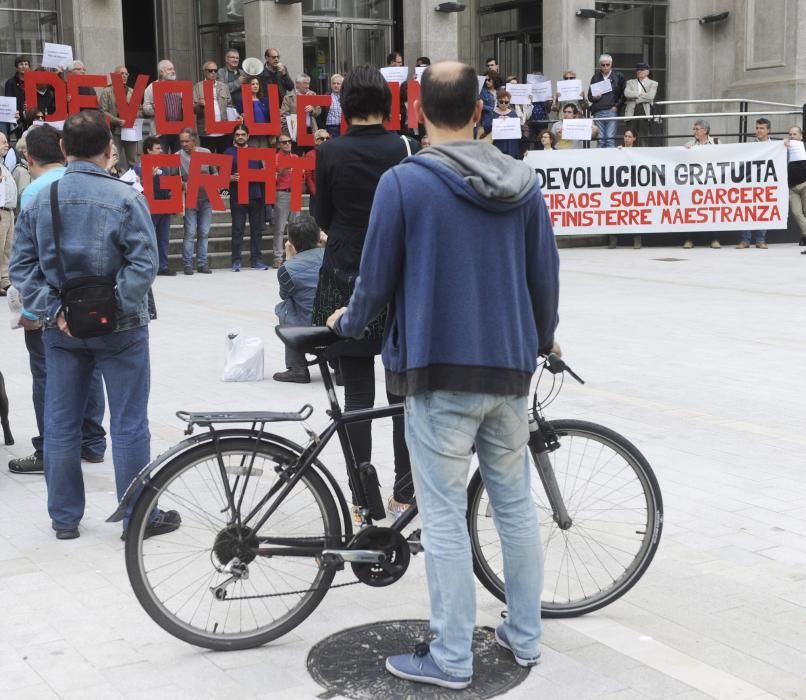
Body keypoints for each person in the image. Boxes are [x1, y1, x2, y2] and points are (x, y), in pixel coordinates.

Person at [326, 60, 559, 690]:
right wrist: (537, 342)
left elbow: (373, 283)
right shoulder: (524, 184)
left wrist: (348, 322)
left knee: (446, 516)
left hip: (436, 372)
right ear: (480, 113)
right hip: (509, 373)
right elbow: (545, 283)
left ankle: (452, 658)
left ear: (417, 113)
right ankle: (525, 636)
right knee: (513, 508)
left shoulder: (406, 184)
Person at [10, 110, 180, 541]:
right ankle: (137, 517)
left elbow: (23, 267)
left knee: (62, 423)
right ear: (110, 149)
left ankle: (64, 519)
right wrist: (113, 307)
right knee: (128, 422)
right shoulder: (125, 197)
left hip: (60, 329)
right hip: (121, 328)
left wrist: (56, 310)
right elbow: (146, 262)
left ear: (64, 149)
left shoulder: (38, 198)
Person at [311, 64, 417, 520]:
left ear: (346, 104)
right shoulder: (404, 146)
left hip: (344, 274)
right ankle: (405, 494)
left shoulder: (330, 151)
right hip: (397, 276)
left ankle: (361, 499)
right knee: (401, 398)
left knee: (356, 396)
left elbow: (322, 214)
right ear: (386, 103)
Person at [7, 124, 107, 476]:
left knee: (46, 375)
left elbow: (26, 259)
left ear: (28, 158)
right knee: (91, 369)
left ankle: (48, 447)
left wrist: (28, 309)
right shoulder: (87, 183)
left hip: (51, 302)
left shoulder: (34, 192)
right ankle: (92, 442)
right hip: (91, 296)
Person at [273, 214, 324, 383]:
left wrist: (289, 258)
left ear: (291, 241)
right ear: (318, 236)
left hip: (307, 329)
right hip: (338, 323)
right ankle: (340, 367)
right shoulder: (335, 256)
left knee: (284, 307)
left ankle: (297, 367)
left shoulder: (287, 269)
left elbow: (285, 294)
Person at [224, 123, 267, 271]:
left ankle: (257, 260)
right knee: (237, 229)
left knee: (256, 230)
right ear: (234, 136)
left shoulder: (256, 151)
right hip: (237, 196)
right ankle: (236, 261)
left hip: (255, 195)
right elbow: (222, 176)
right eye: (237, 135)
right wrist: (231, 178)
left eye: (243, 134)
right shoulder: (228, 152)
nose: (240, 137)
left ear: (248, 136)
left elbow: (263, 172)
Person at [134, 136, 175, 276]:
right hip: (150, 207)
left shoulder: (164, 165)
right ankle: (150, 265)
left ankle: (163, 266)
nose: (161, 150)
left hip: (164, 205)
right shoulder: (139, 167)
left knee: (163, 237)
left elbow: (169, 184)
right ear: (148, 150)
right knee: (150, 237)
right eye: (157, 148)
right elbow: (138, 188)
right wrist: (149, 176)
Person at [178, 128, 215, 274]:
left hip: (207, 197)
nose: (184, 144)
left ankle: (202, 263)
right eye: (181, 141)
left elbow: (214, 171)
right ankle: (187, 265)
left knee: (204, 232)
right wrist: (181, 183)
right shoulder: (177, 156)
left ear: (194, 140)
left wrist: (216, 184)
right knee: (190, 232)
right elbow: (174, 177)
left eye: (187, 141)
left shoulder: (206, 152)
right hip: (190, 198)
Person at [683, 120, 720, 249]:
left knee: (711, 210)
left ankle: (714, 239)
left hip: (711, 182)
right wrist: (685, 151)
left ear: (705, 131)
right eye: (694, 129)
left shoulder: (716, 143)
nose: (694, 131)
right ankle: (690, 239)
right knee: (692, 210)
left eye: (697, 129)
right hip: (695, 183)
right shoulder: (690, 144)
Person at [738, 118, 773, 249]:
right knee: (747, 210)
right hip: (750, 182)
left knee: (763, 210)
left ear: (768, 130)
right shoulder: (749, 146)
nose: (758, 130)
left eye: (762, 128)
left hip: (767, 183)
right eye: (757, 128)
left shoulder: (776, 146)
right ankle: (745, 240)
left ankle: (760, 240)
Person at [99, 65, 141, 172]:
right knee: (114, 159)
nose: (124, 76)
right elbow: (103, 111)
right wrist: (118, 121)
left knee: (133, 160)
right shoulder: (107, 91)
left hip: (130, 130)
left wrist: (133, 115)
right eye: (122, 73)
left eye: (126, 74)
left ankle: (135, 183)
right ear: (115, 76)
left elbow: (140, 110)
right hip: (115, 130)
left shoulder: (132, 92)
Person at [608, 128, 643, 250]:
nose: (627, 138)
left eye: (629, 136)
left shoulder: (639, 152)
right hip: (620, 187)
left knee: (635, 213)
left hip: (634, 186)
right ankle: (613, 240)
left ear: (634, 138)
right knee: (616, 213)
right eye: (625, 136)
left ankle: (637, 239)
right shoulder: (618, 150)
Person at [193, 60, 234, 154]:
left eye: (215, 70)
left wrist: (235, 116)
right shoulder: (197, 87)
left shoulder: (224, 87)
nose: (213, 73)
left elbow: (230, 106)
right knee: (208, 160)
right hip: (207, 131)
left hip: (223, 130)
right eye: (210, 70)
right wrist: (199, 105)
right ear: (204, 71)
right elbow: (193, 109)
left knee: (224, 159)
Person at [272, 134, 300, 268]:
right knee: (279, 228)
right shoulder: (275, 158)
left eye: (289, 141)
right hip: (282, 193)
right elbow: (272, 180)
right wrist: (283, 168)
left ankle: (293, 255)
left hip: (295, 192)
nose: (287, 144)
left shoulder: (295, 157)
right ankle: (277, 258)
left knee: (295, 227)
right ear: (279, 145)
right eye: (284, 142)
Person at [143, 59, 182, 154]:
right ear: (161, 72)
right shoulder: (151, 88)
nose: (173, 71)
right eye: (169, 69)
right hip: (160, 132)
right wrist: (155, 109)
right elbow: (145, 108)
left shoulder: (180, 87)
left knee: (179, 160)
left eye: (173, 69)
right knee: (161, 160)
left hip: (178, 131)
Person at [588, 54, 625, 148]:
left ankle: (610, 161)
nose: (605, 67)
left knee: (609, 139)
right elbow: (589, 96)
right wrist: (595, 97)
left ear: (611, 64)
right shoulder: (595, 77)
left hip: (611, 110)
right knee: (600, 140)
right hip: (598, 111)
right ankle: (600, 161)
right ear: (600, 65)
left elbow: (623, 94)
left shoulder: (618, 76)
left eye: (607, 65)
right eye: (603, 65)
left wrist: (616, 106)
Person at [280, 73, 321, 147]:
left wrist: (312, 110)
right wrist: (289, 132)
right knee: (297, 155)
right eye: (305, 83)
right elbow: (283, 115)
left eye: (308, 83)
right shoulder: (288, 97)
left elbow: (318, 111)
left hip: (311, 130)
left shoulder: (313, 95)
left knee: (311, 154)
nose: (307, 86)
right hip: (295, 132)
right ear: (297, 84)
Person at [0, 136, 18, 296]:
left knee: (6, 247)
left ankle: (4, 278)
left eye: (7, 141)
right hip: (1, 210)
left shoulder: (3, 164)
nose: (7, 145)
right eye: (3, 142)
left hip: (8, 210)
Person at [783, 125, 806, 250]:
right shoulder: (785, 147)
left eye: (794, 134)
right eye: (790, 134)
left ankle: (804, 237)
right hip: (792, 186)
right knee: (796, 212)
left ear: (801, 136)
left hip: (805, 183)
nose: (792, 136)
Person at [624, 62, 658, 144]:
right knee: (630, 136)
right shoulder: (630, 82)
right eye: (638, 70)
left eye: (641, 70)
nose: (639, 71)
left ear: (647, 72)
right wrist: (639, 94)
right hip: (632, 111)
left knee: (643, 137)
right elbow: (627, 93)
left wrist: (635, 98)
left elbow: (650, 96)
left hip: (644, 111)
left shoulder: (653, 83)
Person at [3, 55, 30, 139]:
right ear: (16, 68)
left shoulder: (33, 81)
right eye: (21, 64)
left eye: (26, 64)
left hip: (32, 117)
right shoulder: (10, 82)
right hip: (18, 119)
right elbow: (9, 101)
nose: (24, 66)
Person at [491, 89, 520, 159]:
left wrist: (510, 121)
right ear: (497, 101)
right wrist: (496, 122)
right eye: (501, 101)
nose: (504, 104)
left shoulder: (513, 114)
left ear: (509, 103)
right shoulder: (492, 113)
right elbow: (486, 128)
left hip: (511, 146)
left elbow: (517, 131)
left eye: (506, 102)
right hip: (497, 145)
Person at [479, 71, 503, 137]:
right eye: (485, 80)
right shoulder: (482, 91)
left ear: (494, 79)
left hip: (499, 123)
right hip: (487, 123)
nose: (487, 82)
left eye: (489, 80)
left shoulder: (500, 91)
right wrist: (491, 109)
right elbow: (479, 105)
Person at [321, 74, 344, 139]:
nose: (336, 85)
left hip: (344, 127)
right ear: (331, 85)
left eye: (338, 83)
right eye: (334, 83)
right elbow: (321, 113)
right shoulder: (326, 96)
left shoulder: (346, 96)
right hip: (330, 128)